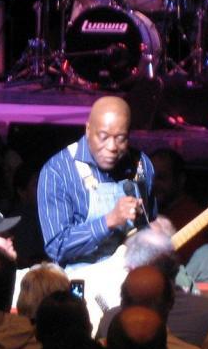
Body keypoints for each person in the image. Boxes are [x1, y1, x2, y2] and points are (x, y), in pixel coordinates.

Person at [37, 96, 156, 268]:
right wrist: (109, 221)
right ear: (88, 130)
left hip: (132, 278)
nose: (112, 147)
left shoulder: (141, 165)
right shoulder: (58, 171)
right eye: (103, 137)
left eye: (120, 138)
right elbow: (57, 247)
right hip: (80, 284)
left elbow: (149, 222)